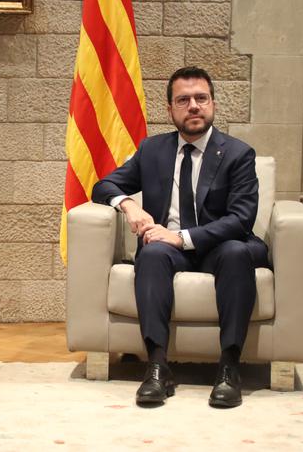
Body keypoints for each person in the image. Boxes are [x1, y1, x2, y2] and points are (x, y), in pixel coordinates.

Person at [92, 66, 269, 408]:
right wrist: (130, 206)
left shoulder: (237, 154)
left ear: (213, 104)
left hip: (220, 245)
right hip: (169, 249)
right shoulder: (152, 150)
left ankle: (229, 368)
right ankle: (157, 367)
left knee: (234, 252)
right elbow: (104, 185)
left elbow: (241, 219)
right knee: (153, 253)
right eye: (183, 100)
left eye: (201, 98)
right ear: (170, 109)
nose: (193, 106)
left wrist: (182, 237)